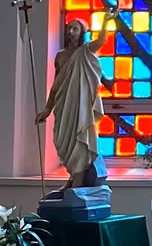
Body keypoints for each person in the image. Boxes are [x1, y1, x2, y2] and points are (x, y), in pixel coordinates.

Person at [39, 19, 104, 190]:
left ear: (82, 32)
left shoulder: (86, 51)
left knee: (80, 140)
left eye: (75, 28)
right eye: (69, 28)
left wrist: (106, 21)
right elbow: (55, 85)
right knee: (64, 140)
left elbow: (101, 41)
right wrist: (47, 108)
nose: (70, 31)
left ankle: (78, 180)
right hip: (63, 105)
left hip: (80, 106)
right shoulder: (60, 56)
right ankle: (73, 177)